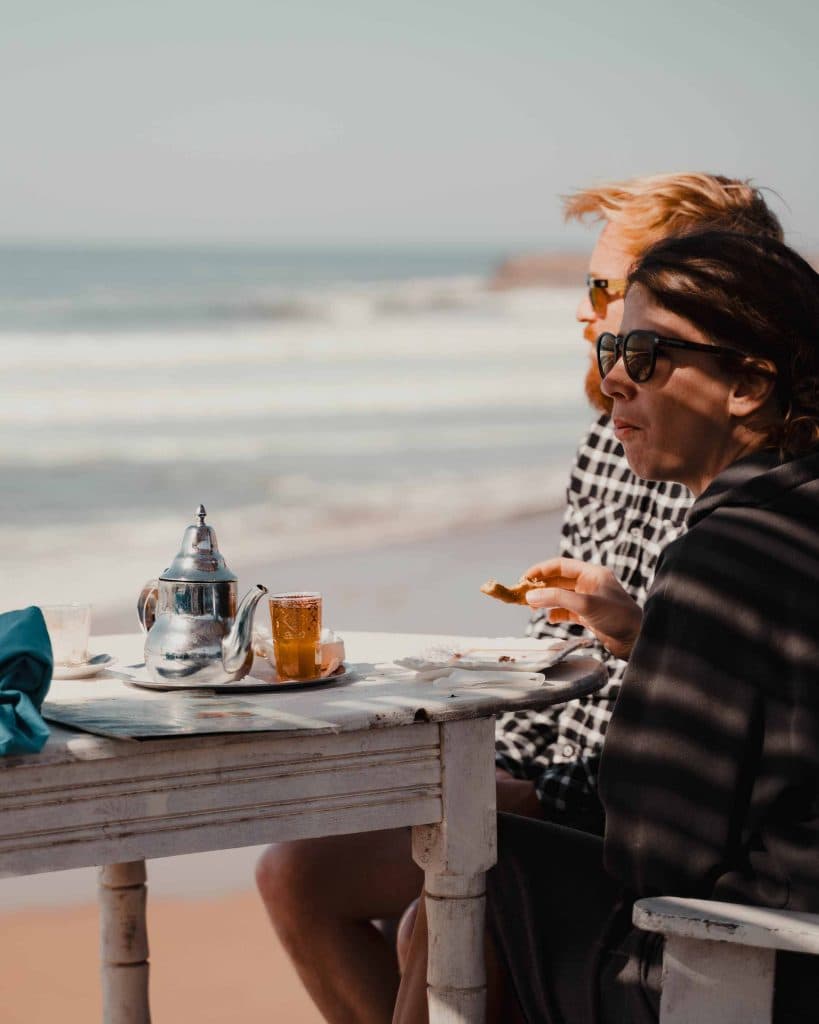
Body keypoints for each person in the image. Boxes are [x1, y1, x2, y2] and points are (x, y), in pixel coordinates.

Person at [254, 175, 783, 1024]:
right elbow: (579, 648)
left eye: (605, 290)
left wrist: (628, 647)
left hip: (623, 808)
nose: (587, 314)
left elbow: (705, 738)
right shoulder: (616, 441)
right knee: (296, 872)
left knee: (457, 885)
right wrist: (495, 749)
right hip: (558, 765)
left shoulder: (744, 506)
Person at [394, 229, 819, 1024]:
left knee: (477, 873)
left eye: (648, 353)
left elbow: (654, 851)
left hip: (762, 968)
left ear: (748, 385)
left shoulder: (724, 558)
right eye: (613, 345)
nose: (614, 377)